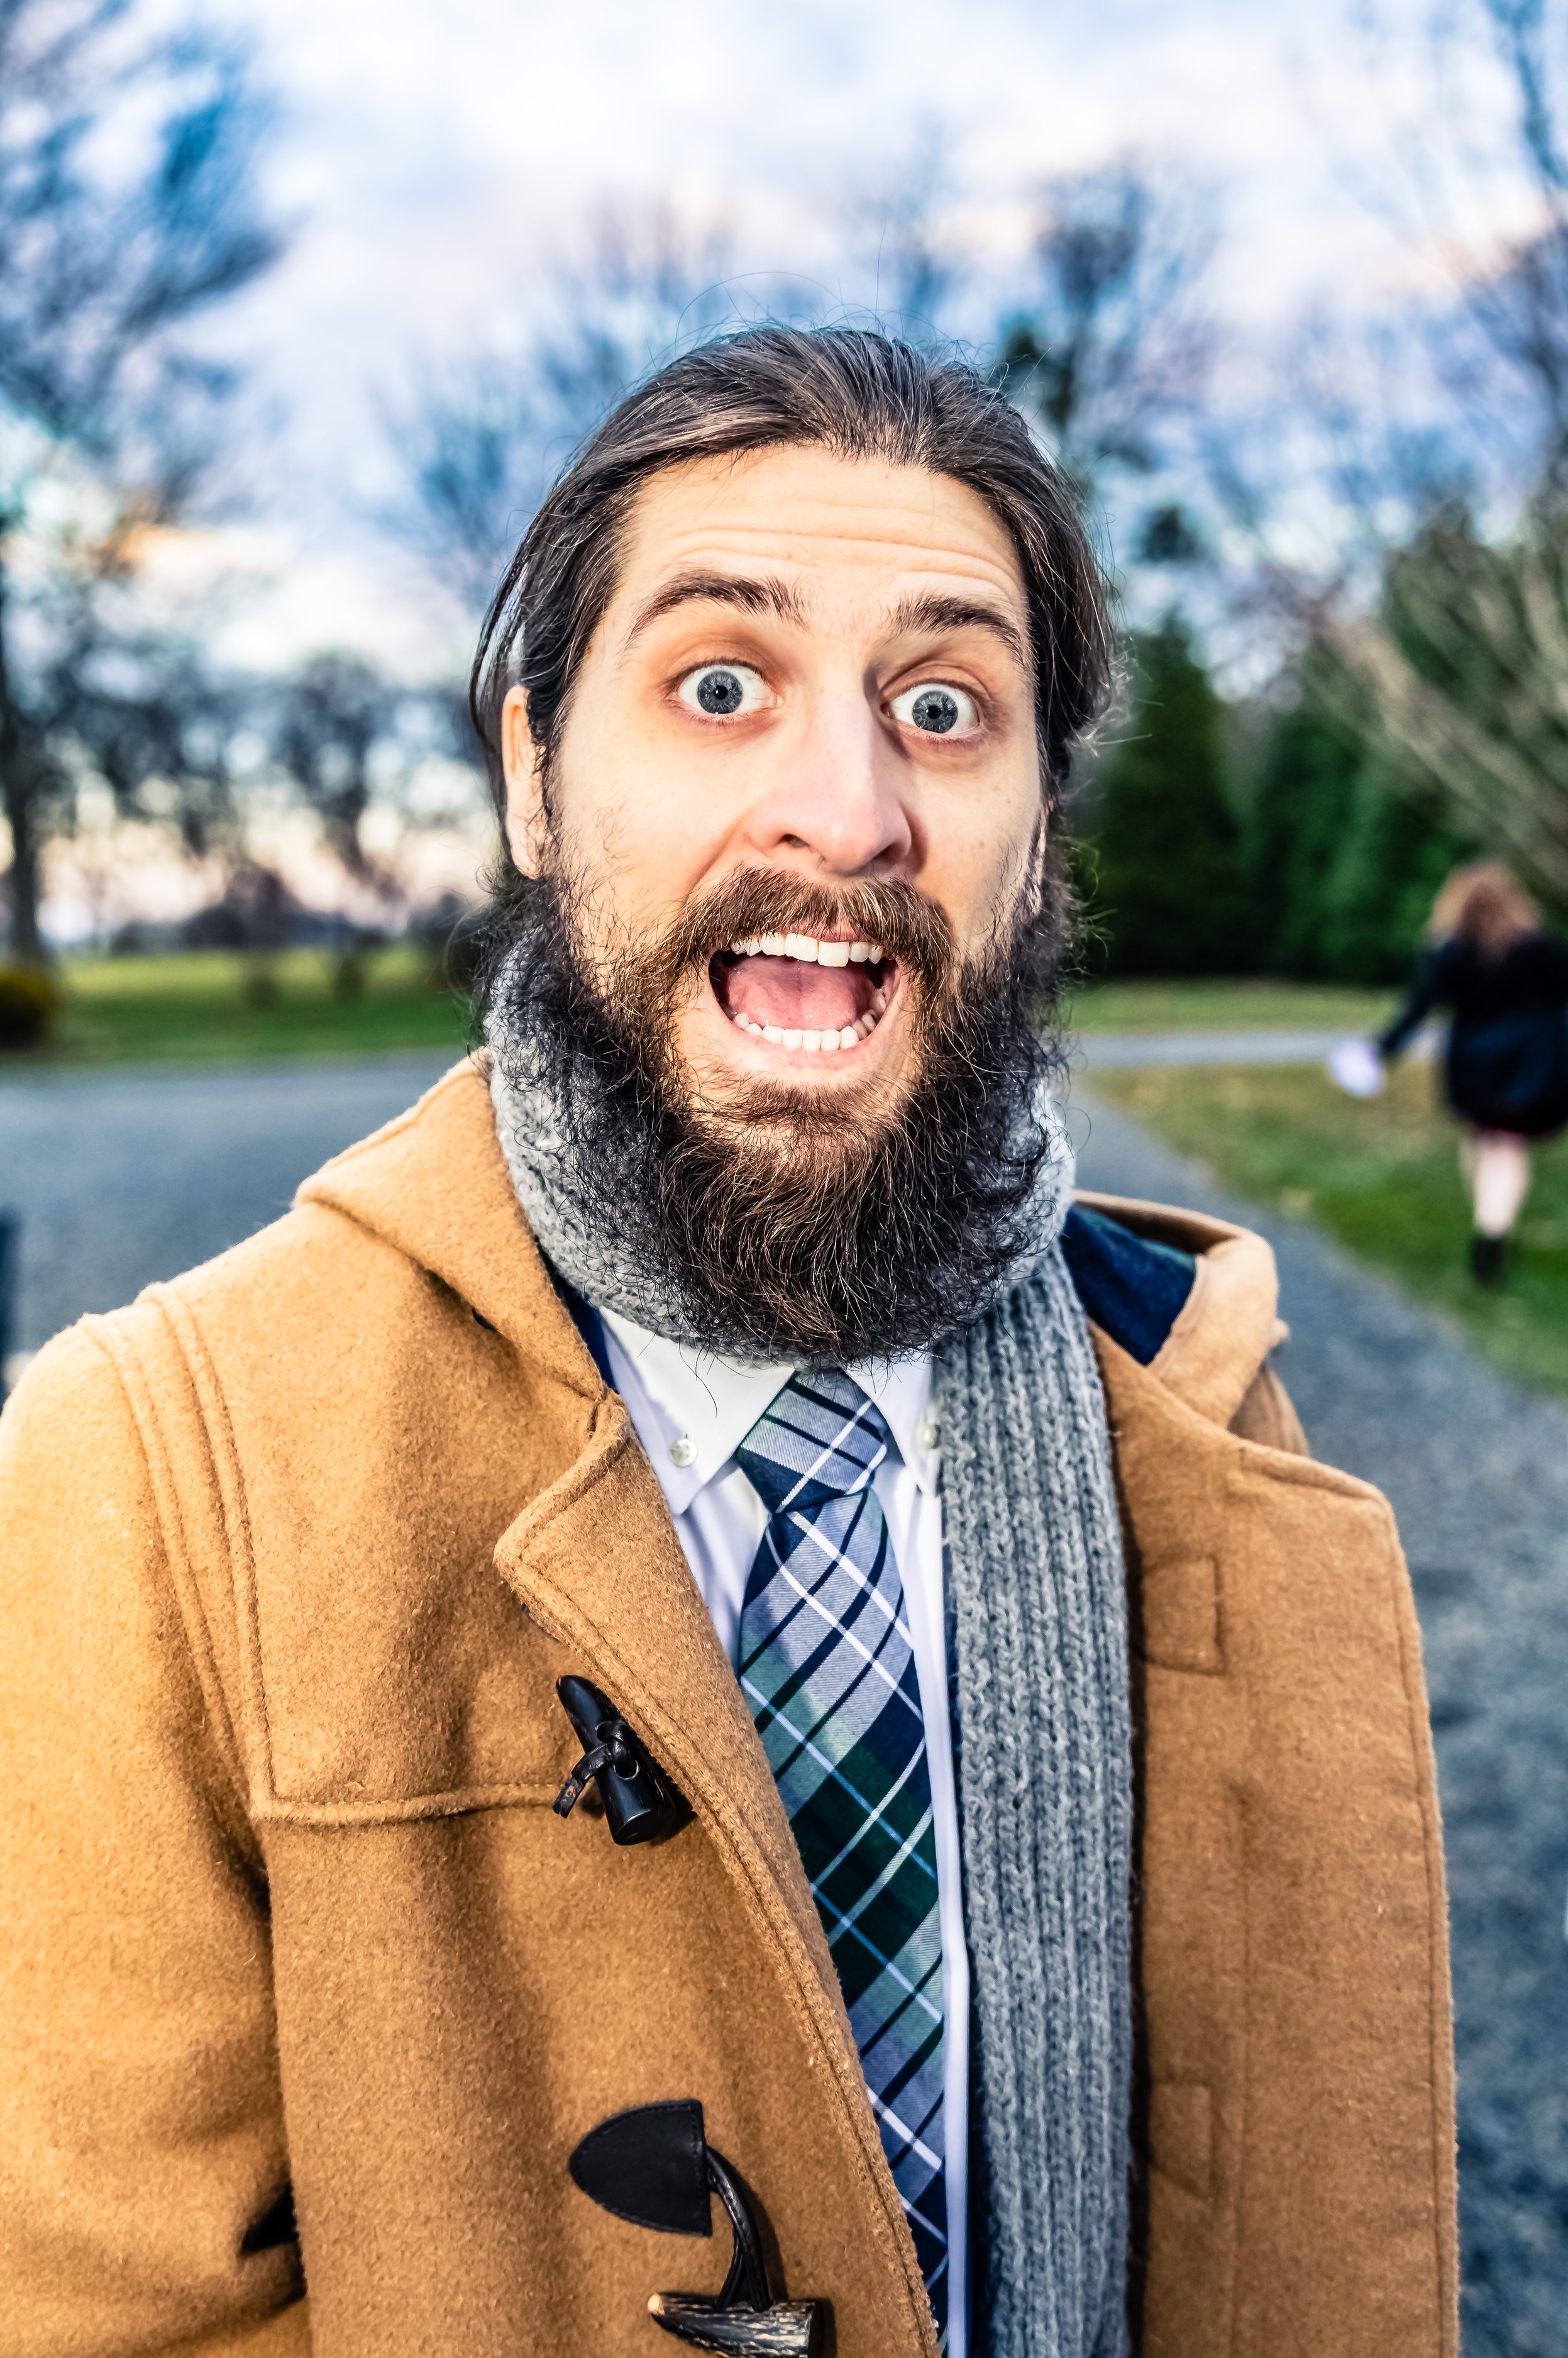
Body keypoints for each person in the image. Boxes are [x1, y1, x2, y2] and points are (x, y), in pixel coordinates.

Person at [0, 329, 1457, 2357]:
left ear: (1040, 827)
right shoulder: (149, 1468)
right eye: (716, 685)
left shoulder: (1190, 1398)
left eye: (941, 706)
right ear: (531, 774)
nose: (845, 810)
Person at [1378, 861, 1568, 1284]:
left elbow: (1419, 1007)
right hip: (1529, 1068)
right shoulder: (1535, 947)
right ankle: (1494, 1229)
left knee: (1486, 1143)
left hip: (1475, 1068)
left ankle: (1490, 1222)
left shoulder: (1451, 952)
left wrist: (1382, 1051)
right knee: (1509, 1148)